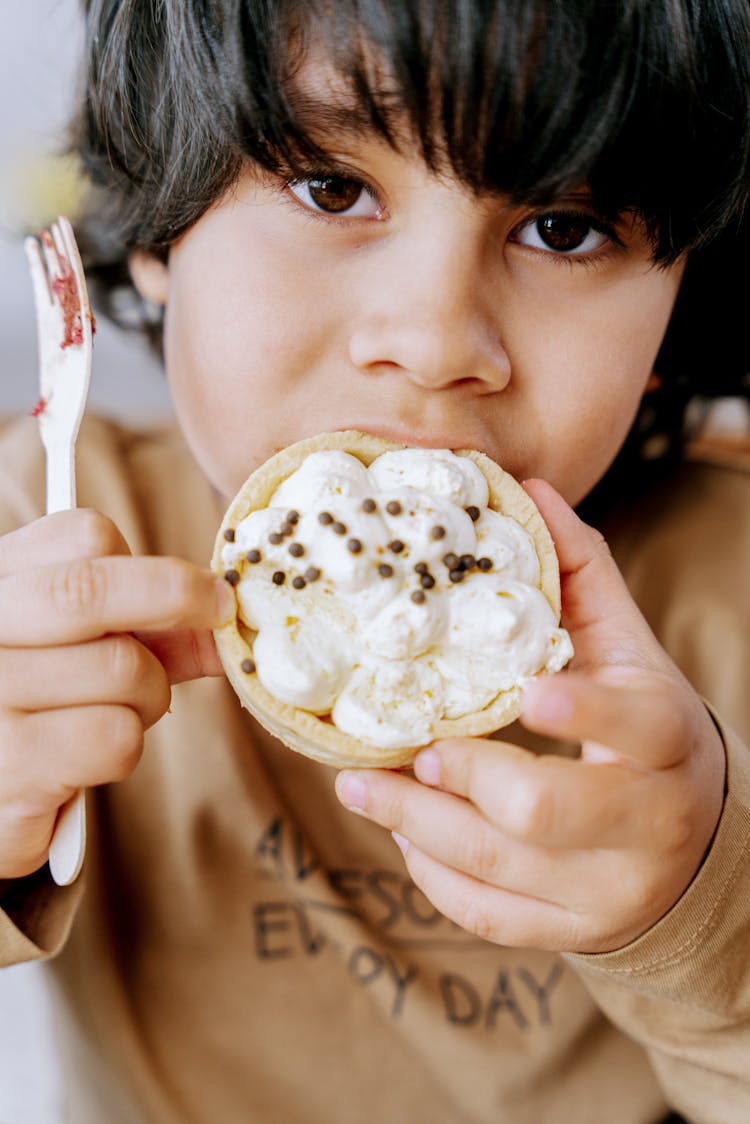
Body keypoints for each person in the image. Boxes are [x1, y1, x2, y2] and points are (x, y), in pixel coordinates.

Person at [1, 1, 749, 1121]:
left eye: (562, 226)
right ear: (160, 227)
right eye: (331, 188)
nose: (438, 337)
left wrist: (703, 907)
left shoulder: (729, 583)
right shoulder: (36, 532)